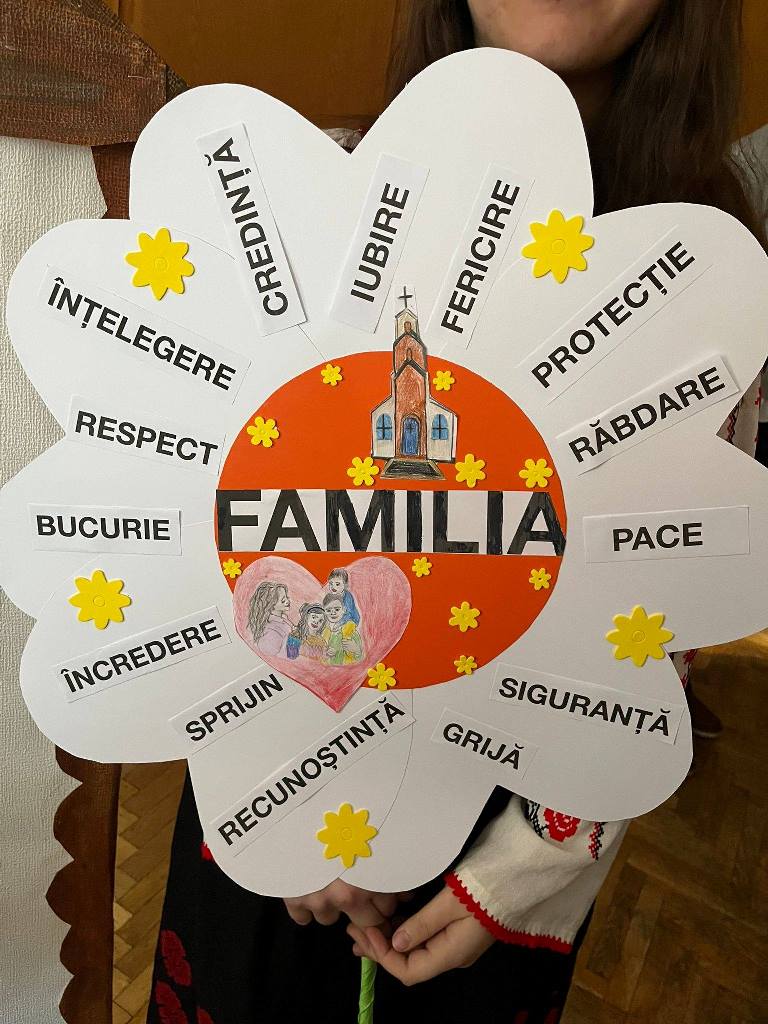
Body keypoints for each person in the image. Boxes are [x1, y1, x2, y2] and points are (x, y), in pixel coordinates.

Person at [149, 3, 765, 1021]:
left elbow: (670, 618)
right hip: (275, 793)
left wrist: (515, 873)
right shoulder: (325, 191)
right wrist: (288, 808)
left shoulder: (701, 283)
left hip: (489, 842)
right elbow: (190, 505)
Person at [248, 580, 292, 658]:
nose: (288, 601)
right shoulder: (270, 629)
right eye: (283, 601)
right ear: (270, 605)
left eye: (287, 597)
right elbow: (272, 657)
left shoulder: (284, 619)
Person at [321, 592, 364, 665]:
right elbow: (320, 657)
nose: (333, 613)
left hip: (348, 669)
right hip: (329, 670)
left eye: (337, 609)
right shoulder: (325, 632)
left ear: (344, 610)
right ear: (324, 612)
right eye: (328, 610)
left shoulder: (350, 631)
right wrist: (326, 653)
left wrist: (356, 650)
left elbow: (361, 659)